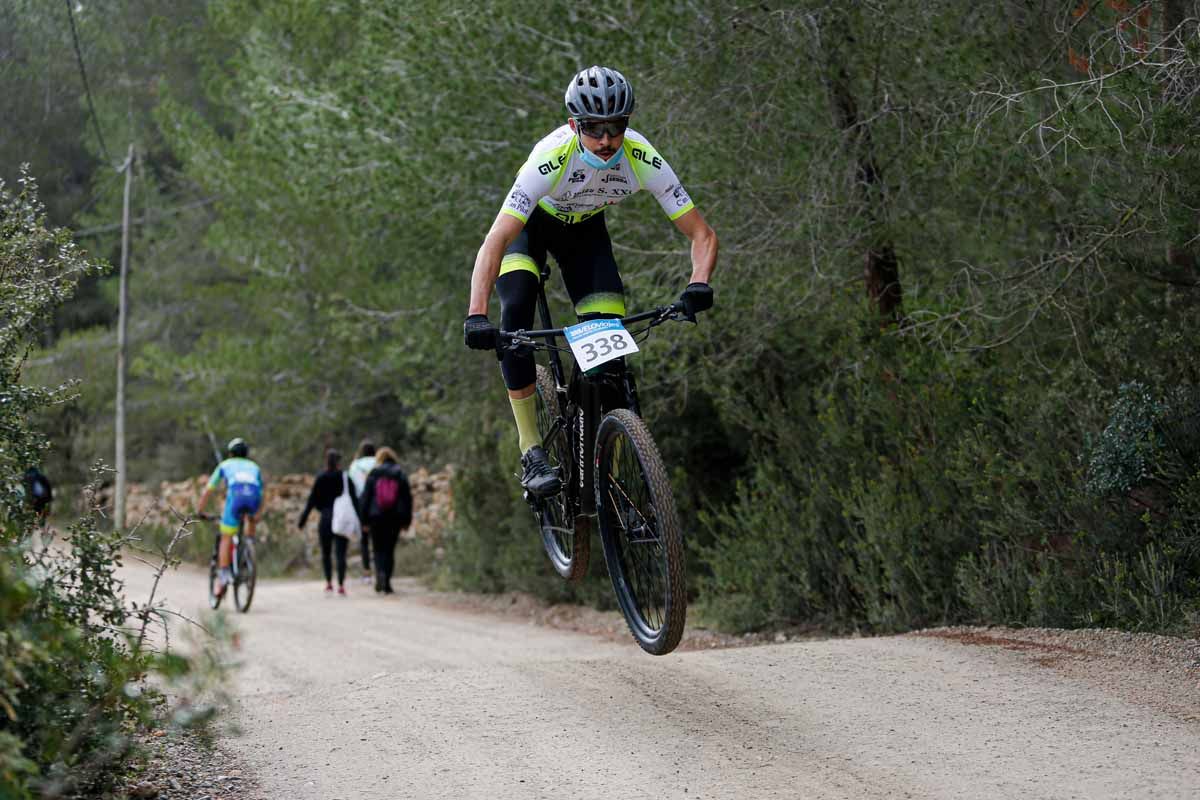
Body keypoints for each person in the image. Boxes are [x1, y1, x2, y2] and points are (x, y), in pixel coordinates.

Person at [463, 65, 717, 497]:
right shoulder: (550, 159)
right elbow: (495, 241)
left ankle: (609, 457)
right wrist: (476, 315)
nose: (605, 140)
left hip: (585, 234)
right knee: (518, 310)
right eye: (593, 128)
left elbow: (702, 234)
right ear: (573, 125)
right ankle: (532, 450)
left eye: (615, 127)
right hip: (531, 228)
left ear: (627, 125)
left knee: (610, 355)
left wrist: (698, 283)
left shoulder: (640, 156)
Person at [196, 437, 263, 599]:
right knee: (250, 519)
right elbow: (261, 492)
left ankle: (224, 576)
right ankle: (249, 547)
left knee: (226, 536)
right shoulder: (254, 467)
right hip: (253, 498)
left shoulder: (225, 465)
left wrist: (200, 510)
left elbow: (208, 490)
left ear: (231, 453)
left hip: (236, 500)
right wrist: (258, 514)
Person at [298, 448, 361, 596]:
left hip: (326, 519)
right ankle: (341, 585)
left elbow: (312, 500)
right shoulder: (345, 478)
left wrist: (303, 520)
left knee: (326, 553)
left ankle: (328, 583)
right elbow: (355, 501)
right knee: (341, 553)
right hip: (342, 520)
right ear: (339, 462)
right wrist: (362, 519)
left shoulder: (321, 477)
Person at [359, 447, 411, 594]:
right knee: (389, 550)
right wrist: (406, 520)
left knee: (377, 549)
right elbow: (407, 498)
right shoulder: (399, 473)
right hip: (394, 517)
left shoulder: (374, 473)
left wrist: (364, 521)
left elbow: (366, 498)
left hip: (376, 517)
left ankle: (379, 574)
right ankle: (387, 581)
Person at [347, 439, 378, 582]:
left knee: (364, 540)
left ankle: (367, 572)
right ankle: (380, 569)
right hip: (379, 504)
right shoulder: (379, 462)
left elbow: (351, 487)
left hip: (361, 503)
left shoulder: (355, 465)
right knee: (379, 539)